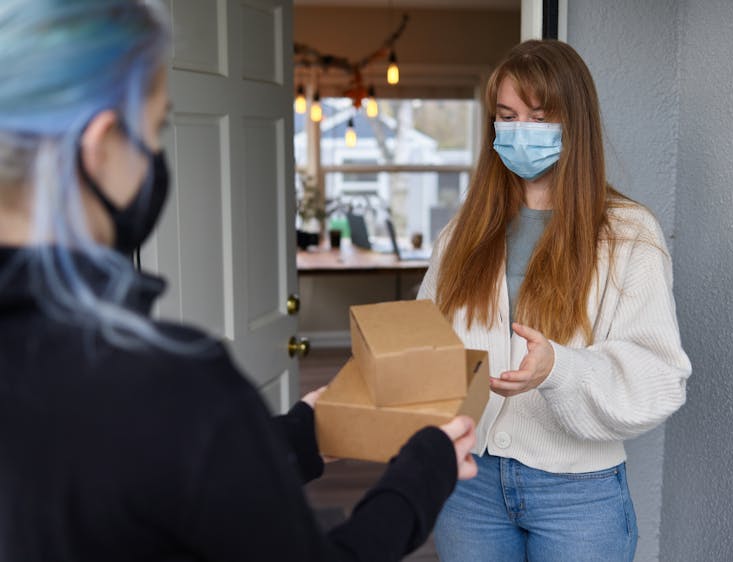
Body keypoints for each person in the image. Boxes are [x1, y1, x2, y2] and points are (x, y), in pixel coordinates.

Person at [0, 2, 478, 561]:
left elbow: (141, 467)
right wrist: (418, 479)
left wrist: (303, 432)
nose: (155, 156)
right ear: (100, 143)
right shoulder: (172, 384)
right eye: (154, 130)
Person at [417, 39, 692, 561]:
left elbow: (660, 376)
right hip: (470, 483)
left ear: (574, 122)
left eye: (538, 116)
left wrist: (557, 370)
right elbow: (428, 346)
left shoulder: (629, 234)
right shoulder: (463, 232)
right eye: (507, 116)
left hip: (577, 493)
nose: (519, 130)